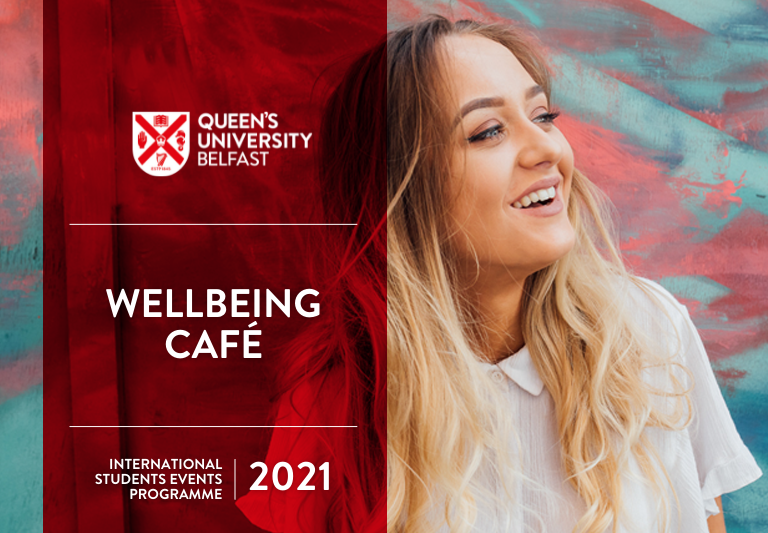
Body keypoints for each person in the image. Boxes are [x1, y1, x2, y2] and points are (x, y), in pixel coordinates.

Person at [238, 15, 762, 533]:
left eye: (543, 115)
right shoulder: (328, 408)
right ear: (401, 191)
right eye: (488, 131)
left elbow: (705, 519)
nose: (548, 149)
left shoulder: (651, 331)